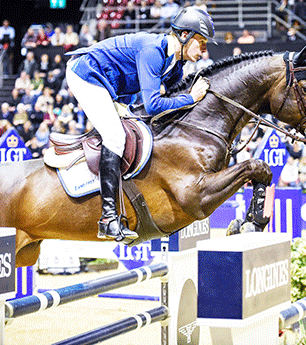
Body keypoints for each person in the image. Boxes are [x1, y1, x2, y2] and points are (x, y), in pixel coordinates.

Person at [65, 7, 216, 242]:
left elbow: (162, 101)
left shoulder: (176, 66)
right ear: (184, 36)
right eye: (202, 42)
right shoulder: (153, 51)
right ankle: (107, 219)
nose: (204, 50)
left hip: (114, 88)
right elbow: (154, 104)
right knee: (115, 137)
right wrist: (191, 98)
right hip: (87, 75)